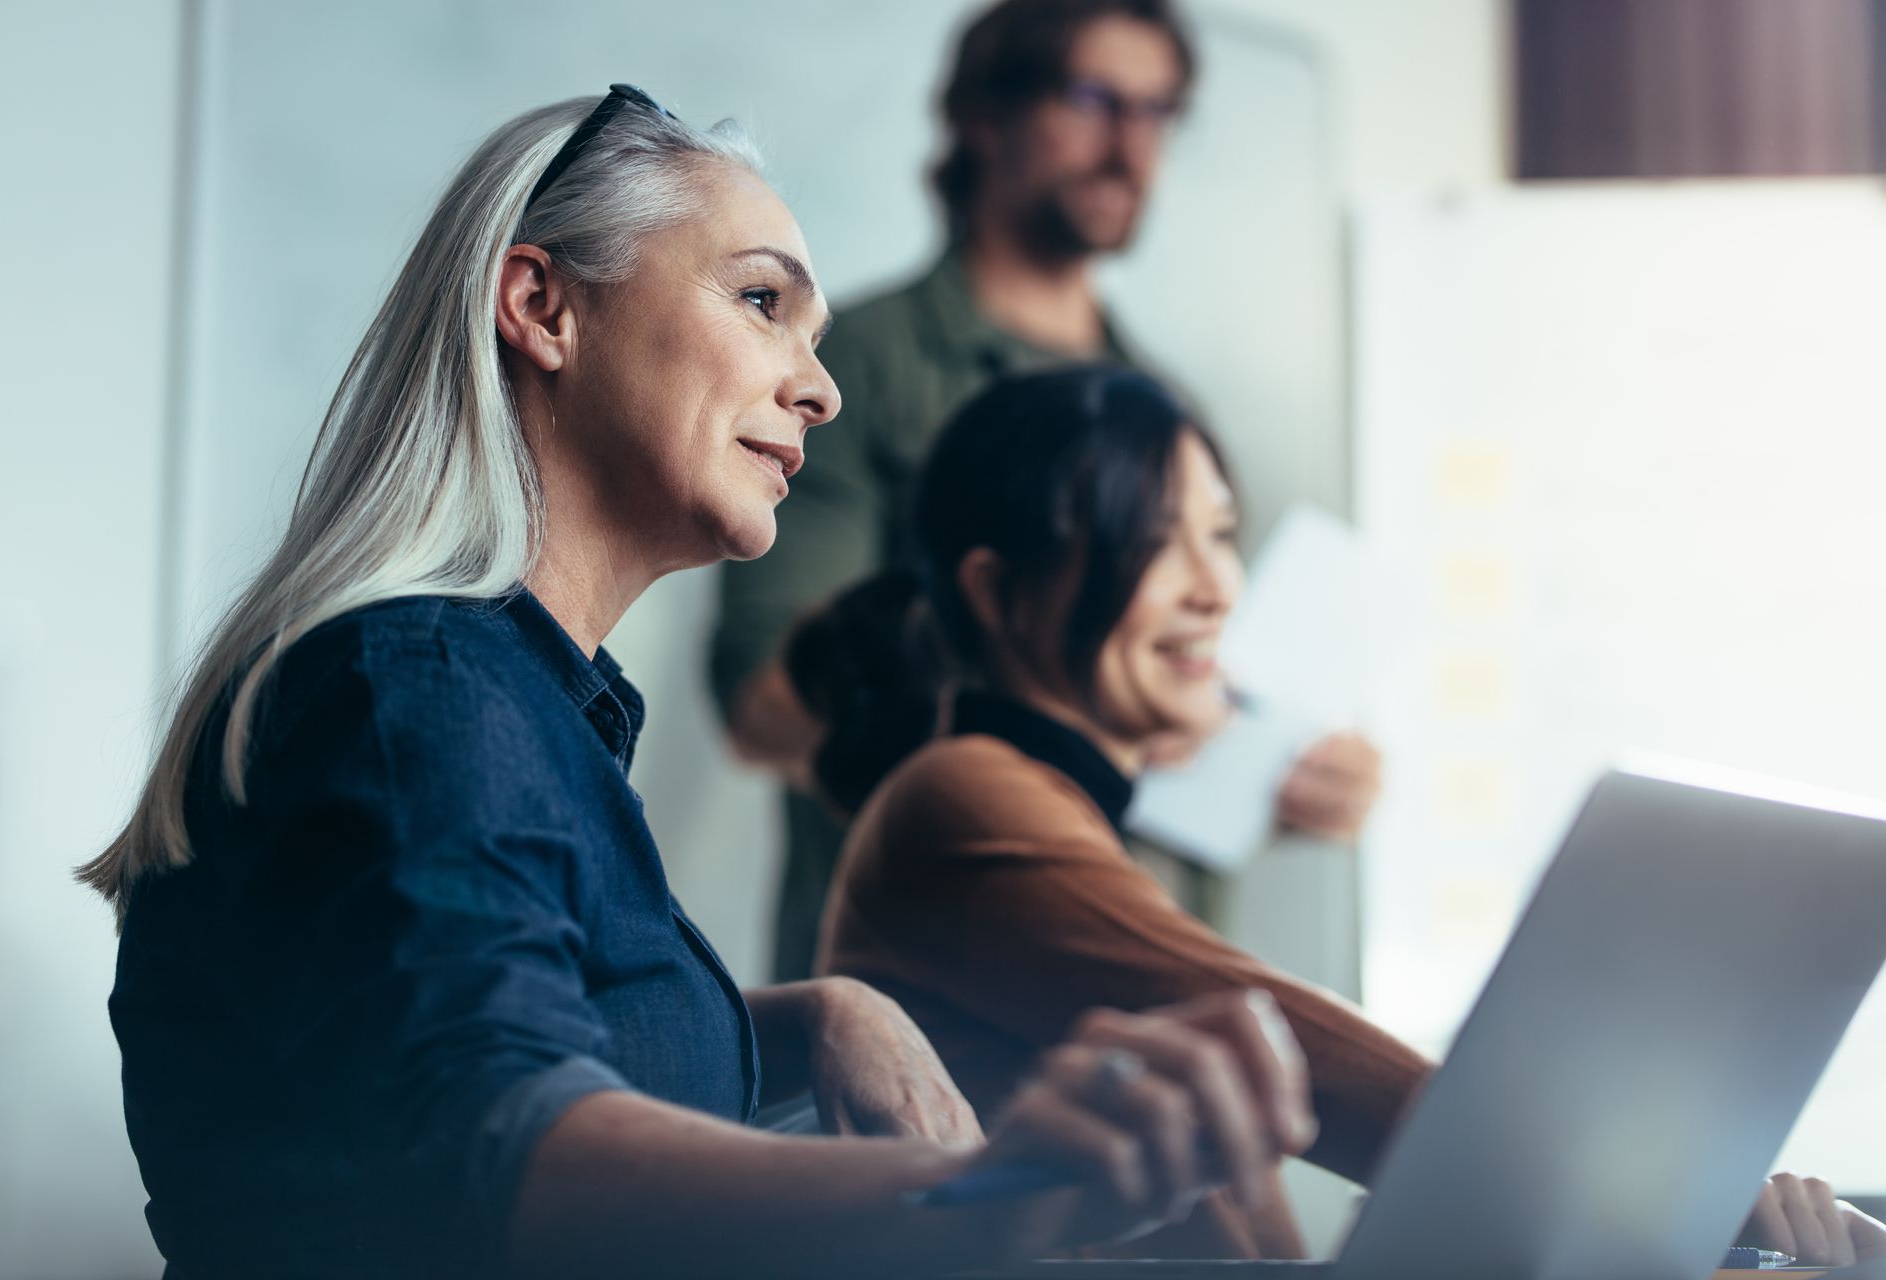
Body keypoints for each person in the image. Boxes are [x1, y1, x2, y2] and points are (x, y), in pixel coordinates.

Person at [75, 90, 1317, 1280]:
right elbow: (501, 1148)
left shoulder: (519, 705)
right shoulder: (420, 693)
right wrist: (996, 1196)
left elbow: (554, 1044)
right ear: (542, 308)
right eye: (761, 301)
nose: (818, 388)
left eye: (816, 340)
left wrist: (810, 1017)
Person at [796, 366, 1886, 1266]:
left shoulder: (1048, 809)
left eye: (1221, 534)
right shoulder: (963, 796)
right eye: (1154, 538)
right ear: (996, 589)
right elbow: (1287, 1042)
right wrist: (1697, 1203)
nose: (1216, 587)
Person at [711, 0, 1382, 985]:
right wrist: (1079, 704)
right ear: (984, 115)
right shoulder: (852, 365)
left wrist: (1282, 766)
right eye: (1093, 98)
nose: (1130, 143)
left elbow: (1180, 698)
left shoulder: (1163, 405)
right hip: (928, 997)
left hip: (1151, 978)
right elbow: (764, 701)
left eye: (1158, 111)